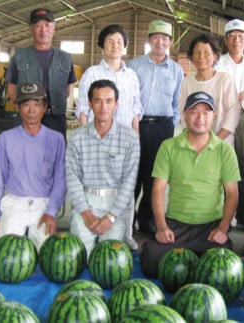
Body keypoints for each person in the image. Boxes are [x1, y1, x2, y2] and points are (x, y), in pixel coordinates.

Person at [140, 91, 241, 278]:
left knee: (224, 271)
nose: (200, 117)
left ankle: (191, 261)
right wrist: (162, 227)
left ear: (213, 116)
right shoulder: (169, 146)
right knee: (151, 262)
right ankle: (191, 260)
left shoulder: (224, 150)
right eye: (194, 111)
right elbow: (158, 189)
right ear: (185, 114)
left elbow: (232, 194)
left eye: (206, 112)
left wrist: (223, 228)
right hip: (176, 224)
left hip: (210, 226)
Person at [74, 24, 143, 250]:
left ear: (125, 47)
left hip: (124, 142)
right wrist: (88, 139)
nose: (115, 45)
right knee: (94, 185)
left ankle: (127, 232)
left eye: (119, 41)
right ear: (102, 46)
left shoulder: (131, 75)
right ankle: (90, 223)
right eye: (110, 41)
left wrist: (136, 140)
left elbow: (135, 110)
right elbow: (83, 109)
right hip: (96, 138)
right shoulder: (92, 73)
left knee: (126, 187)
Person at [66, 79, 140, 258]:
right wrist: (86, 214)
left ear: (117, 104)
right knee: (81, 257)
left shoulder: (130, 138)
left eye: (109, 101)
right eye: (97, 101)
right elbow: (72, 179)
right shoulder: (77, 138)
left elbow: (129, 184)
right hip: (86, 202)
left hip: (116, 206)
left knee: (109, 259)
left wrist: (111, 217)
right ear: (90, 104)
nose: (103, 107)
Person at [0, 82, 66, 251]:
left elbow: (60, 180)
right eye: (26, 104)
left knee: (50, 257)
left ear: (44, 107)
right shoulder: (6, 139)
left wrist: (51, 211)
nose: (31, 110)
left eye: (36, 104)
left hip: (43, 206)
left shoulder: (56, 139)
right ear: (18, 107)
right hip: (15, 203)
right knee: (5, 254)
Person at [127, 20, 184, 236]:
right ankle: (127, 219)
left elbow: (178, 102)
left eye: (165, 38)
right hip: (136, 125)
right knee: (132, 174)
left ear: (170, 42)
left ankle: (147, 219)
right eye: (156, 37)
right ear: (149, 40)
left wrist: (171, 124)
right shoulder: (134, 65)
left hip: (162, 127)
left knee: (154, 176)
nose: (160, 41)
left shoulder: (176, 70)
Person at [215, 18, 244, 255]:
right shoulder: (218, 64)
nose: (237, 40)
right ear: (226, 40)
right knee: (225, 171)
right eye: (232, 35)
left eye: (241, 36)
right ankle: (223, 222)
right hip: (222, 122)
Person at [5, 8, 77, 139]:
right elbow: (11, 90)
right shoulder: (19, 57)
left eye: (47, 25)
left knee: (55, 157)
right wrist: (28, 109)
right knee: (24, 157)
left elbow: (67, 91)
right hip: (26, 120)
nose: (43, 30)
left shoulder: (65, 58)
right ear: (31, 29)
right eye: (38, 25)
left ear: (54, 28)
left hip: (56, 121)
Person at [178, 33, 239, 146]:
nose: (201, 57)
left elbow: (233, 113)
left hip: (222, 143)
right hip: (195, 143)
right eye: (197, 53)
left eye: (207, 52)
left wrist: (213, 141)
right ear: (191, 57)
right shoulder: (187, 81)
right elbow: (183, 112)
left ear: (215, 56)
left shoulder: (225, 79)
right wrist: (197, 140)